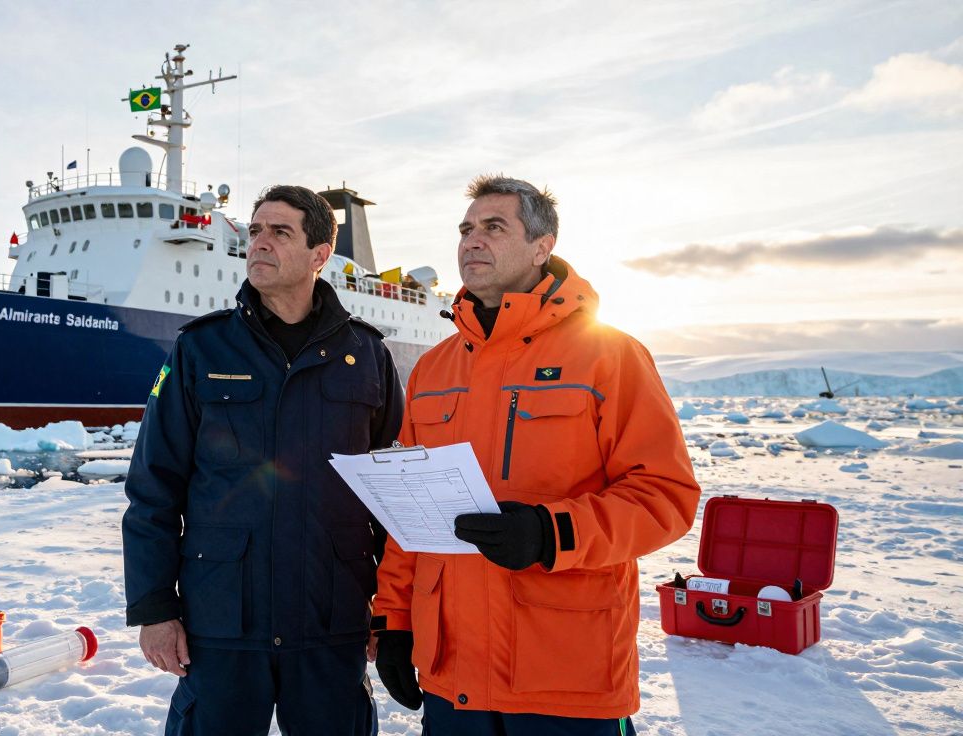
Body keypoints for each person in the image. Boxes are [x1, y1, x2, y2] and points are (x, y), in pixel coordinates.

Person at [371, 175, 701, 735]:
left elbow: (664, 496)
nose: (472, 241)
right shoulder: (434, 368)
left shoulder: (609, 356)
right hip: (455, 678)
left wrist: (552, 534)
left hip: (566, 670)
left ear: (542, 246)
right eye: (466, 229)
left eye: (494, 227)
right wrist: (395, 622)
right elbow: (413, 511)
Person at [122, 184, 404, 736]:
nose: (259, 243)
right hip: (223, 620)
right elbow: (154, 487)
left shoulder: (368, 355)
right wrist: (155, 608)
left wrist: (390, 610)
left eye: (280, 232)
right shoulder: (201, 349)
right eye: (254, 230)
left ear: (321, 254)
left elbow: (392, 495)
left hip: (333, 617)